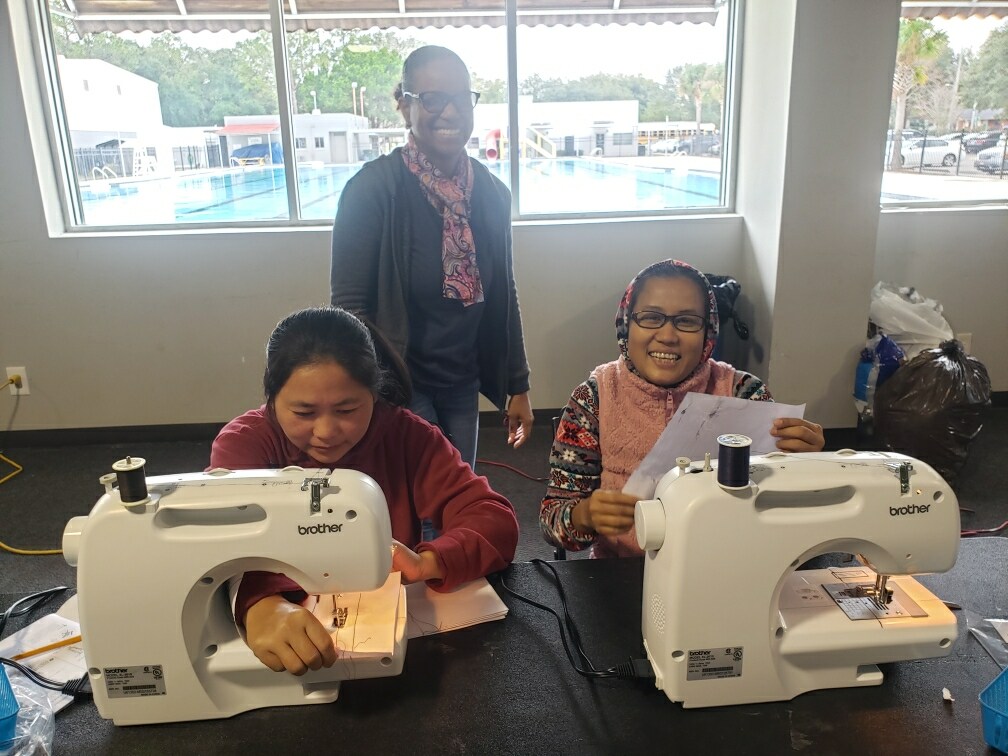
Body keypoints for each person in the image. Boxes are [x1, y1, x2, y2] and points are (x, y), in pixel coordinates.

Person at [210, 306, 519, 675]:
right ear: (272, 399)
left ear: (374, 394)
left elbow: (494, 520)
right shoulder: (246, 446)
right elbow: (222, 546)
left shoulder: (407, 436)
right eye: (304, 413)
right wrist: (261, 604)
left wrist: (427, 562)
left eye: (347, 409)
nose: (326, 432)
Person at [330, 45, 533, 469]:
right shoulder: (372, 191)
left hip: (462, 375)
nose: (451, 112)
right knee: (423, 500)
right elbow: (349, 309)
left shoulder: (492, 195)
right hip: (402, 380)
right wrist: (370, 391)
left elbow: (503, 293)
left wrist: (519, 385)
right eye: (434, 99)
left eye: (461, 98)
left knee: (459, 492)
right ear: (405, 106)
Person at [540, 259, 825, 558]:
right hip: (622, 575)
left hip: (727, 568)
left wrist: (809, 469)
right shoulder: (594, 398)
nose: (667, 336)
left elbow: (786, 512)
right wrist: (584, 516)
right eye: (651, 317)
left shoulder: (744, 395)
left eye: (687, 321)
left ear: (709, 330)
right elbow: (551, 523)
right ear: (626, 322)